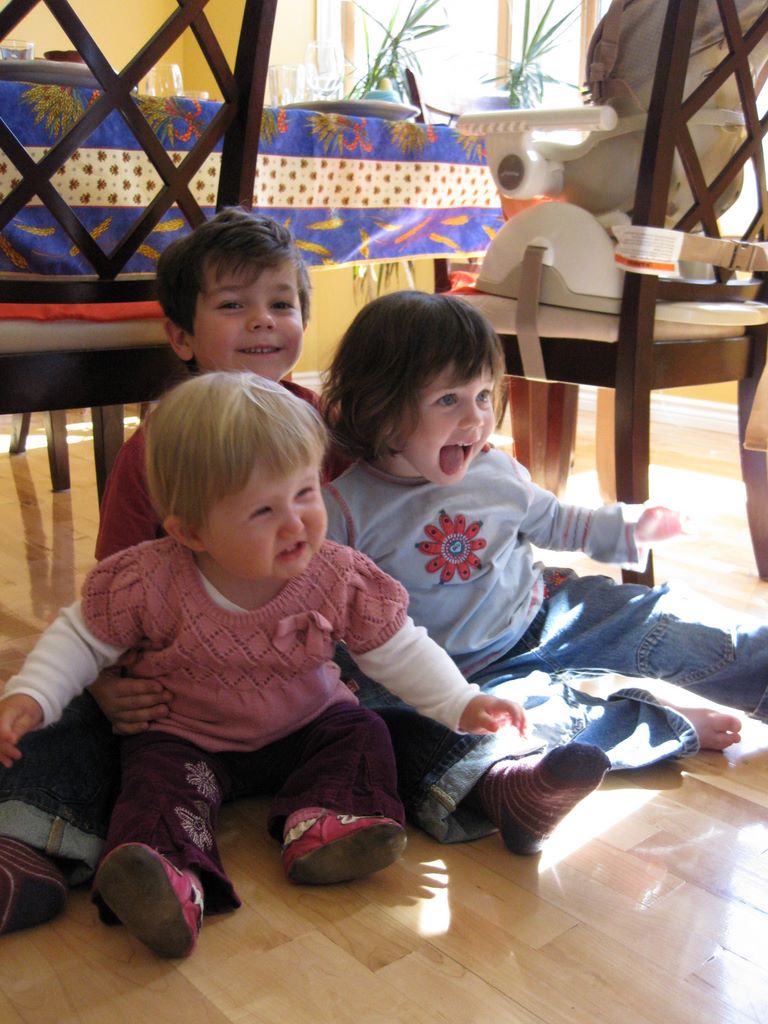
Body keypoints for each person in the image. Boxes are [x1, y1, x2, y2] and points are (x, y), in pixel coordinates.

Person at [0, 371, 533, 959]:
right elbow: (81, 637)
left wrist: (461, 699)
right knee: (152, 782)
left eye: (305, 493)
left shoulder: (336, 574)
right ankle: (167, 877)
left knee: (364, 731)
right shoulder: (148, 579)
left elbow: (398, 647)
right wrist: (32, 695)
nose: (296, 522)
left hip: (308, 727)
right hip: (186, 739)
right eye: (262, 510)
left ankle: (328, 826)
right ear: (190, 530)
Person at [320, 290, 758, 846]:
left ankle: (759, 659)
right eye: (449, 399)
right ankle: (660, 728)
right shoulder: (343, 511)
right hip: (454, 684)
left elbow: (561, 523)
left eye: (483, 395)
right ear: (379, 407)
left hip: (544, 615)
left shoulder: (497, 471)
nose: (476, 418)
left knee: (664, 621)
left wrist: (632, 527)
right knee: (513, 729)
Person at [0, 208, 333, 936]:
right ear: (181, 337)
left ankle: (351, 812)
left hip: (295, 680)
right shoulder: (154, 452)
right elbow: (109, 594)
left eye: (281, 303)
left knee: (389, 703)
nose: (263, 320)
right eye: (234, 304)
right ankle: (28, 846)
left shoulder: (321, 426)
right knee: (59, 711)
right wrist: (105, 682)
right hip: (175, 690)